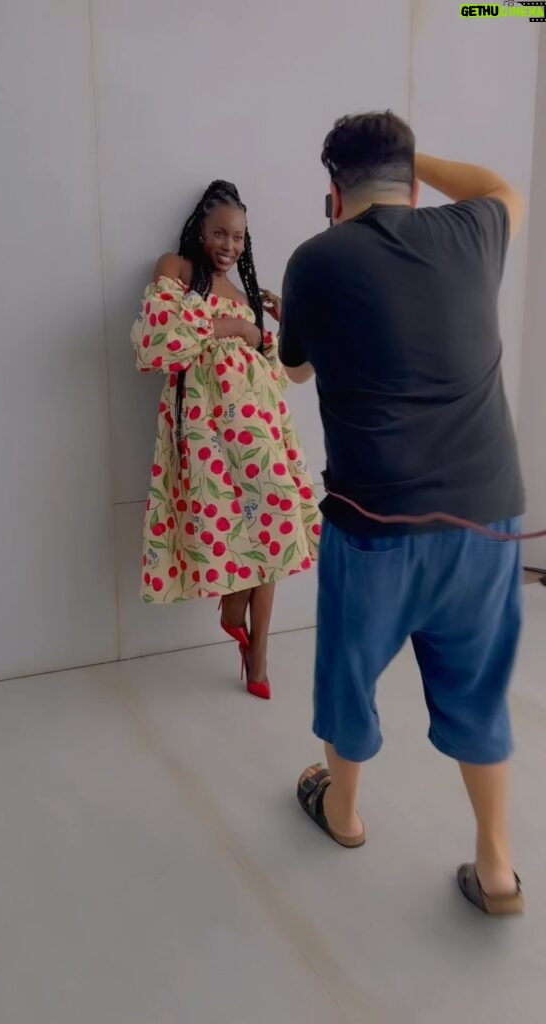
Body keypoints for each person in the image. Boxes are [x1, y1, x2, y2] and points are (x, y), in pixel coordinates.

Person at [279, 111, 526, 915]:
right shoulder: (474, 231)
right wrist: (421, 161)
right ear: (416, 182)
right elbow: (502, 188)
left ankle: (344, 813)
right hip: (487, 525)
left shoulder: (316, 260)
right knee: (477, 692)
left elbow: (297, 373)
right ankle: (496, 868)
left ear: (332, 194)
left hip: (375, 526)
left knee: (349, 674)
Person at [131, 180, 319, 700]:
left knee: (276, 518)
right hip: (208, 431)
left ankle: (257, 652)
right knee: (247, 526)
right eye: (220, 233)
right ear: (200, 228)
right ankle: (235, 613)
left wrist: (276, 326)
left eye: (238, 237)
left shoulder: (249, 296)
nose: (229, 246)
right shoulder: (177, 269)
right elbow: (155, 341)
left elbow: (286, 375)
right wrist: (237, 329)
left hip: (260, 428)